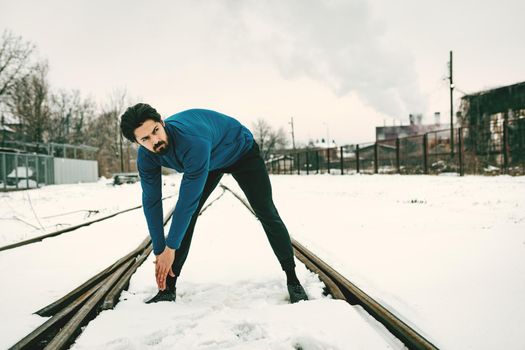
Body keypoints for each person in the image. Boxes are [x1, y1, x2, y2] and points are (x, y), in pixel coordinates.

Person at [120, 103, 308, 304]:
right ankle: (167, 290)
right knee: (186, 219)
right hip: (211, 161)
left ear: (162, 123)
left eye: (156, 131)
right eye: (145, 139)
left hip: (240, 151)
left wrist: (171, 246)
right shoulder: (146, 157)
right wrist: (159, 249)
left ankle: (292, 278)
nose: (155, 140)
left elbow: (187, 203)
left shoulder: (192, 141)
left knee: (266, 211)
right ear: (137, 143)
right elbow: (151, 202)